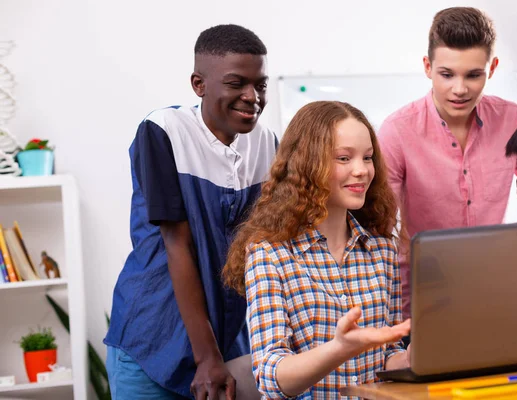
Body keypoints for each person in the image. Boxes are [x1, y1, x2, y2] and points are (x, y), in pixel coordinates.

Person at [104, 24, 277, 400]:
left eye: (260, 85)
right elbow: (176, 243)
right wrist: (207, 358)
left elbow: (265, 244)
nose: (252, 97)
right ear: (199, 84)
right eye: (237, 83)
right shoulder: (164, 131)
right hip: (154, 338)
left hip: (226, 341)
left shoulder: (266, 142)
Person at [222, 101, 411, 399]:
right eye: (344, 158)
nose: (361, 170)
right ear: (308, 164)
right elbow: (271, 377)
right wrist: (339, 349)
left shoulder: (382, 248)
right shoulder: (269, 254)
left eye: (368, 157)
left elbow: (387, 354)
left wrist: (411, 359)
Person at [378, 7, 517, 318]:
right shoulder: (397, 130)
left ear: (493, 67)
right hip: (420, 298)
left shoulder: (513, 120)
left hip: (490, 288)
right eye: (447, 74)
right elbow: (379, 226)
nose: (460, 89)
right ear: (427, 66)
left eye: (474, 75)